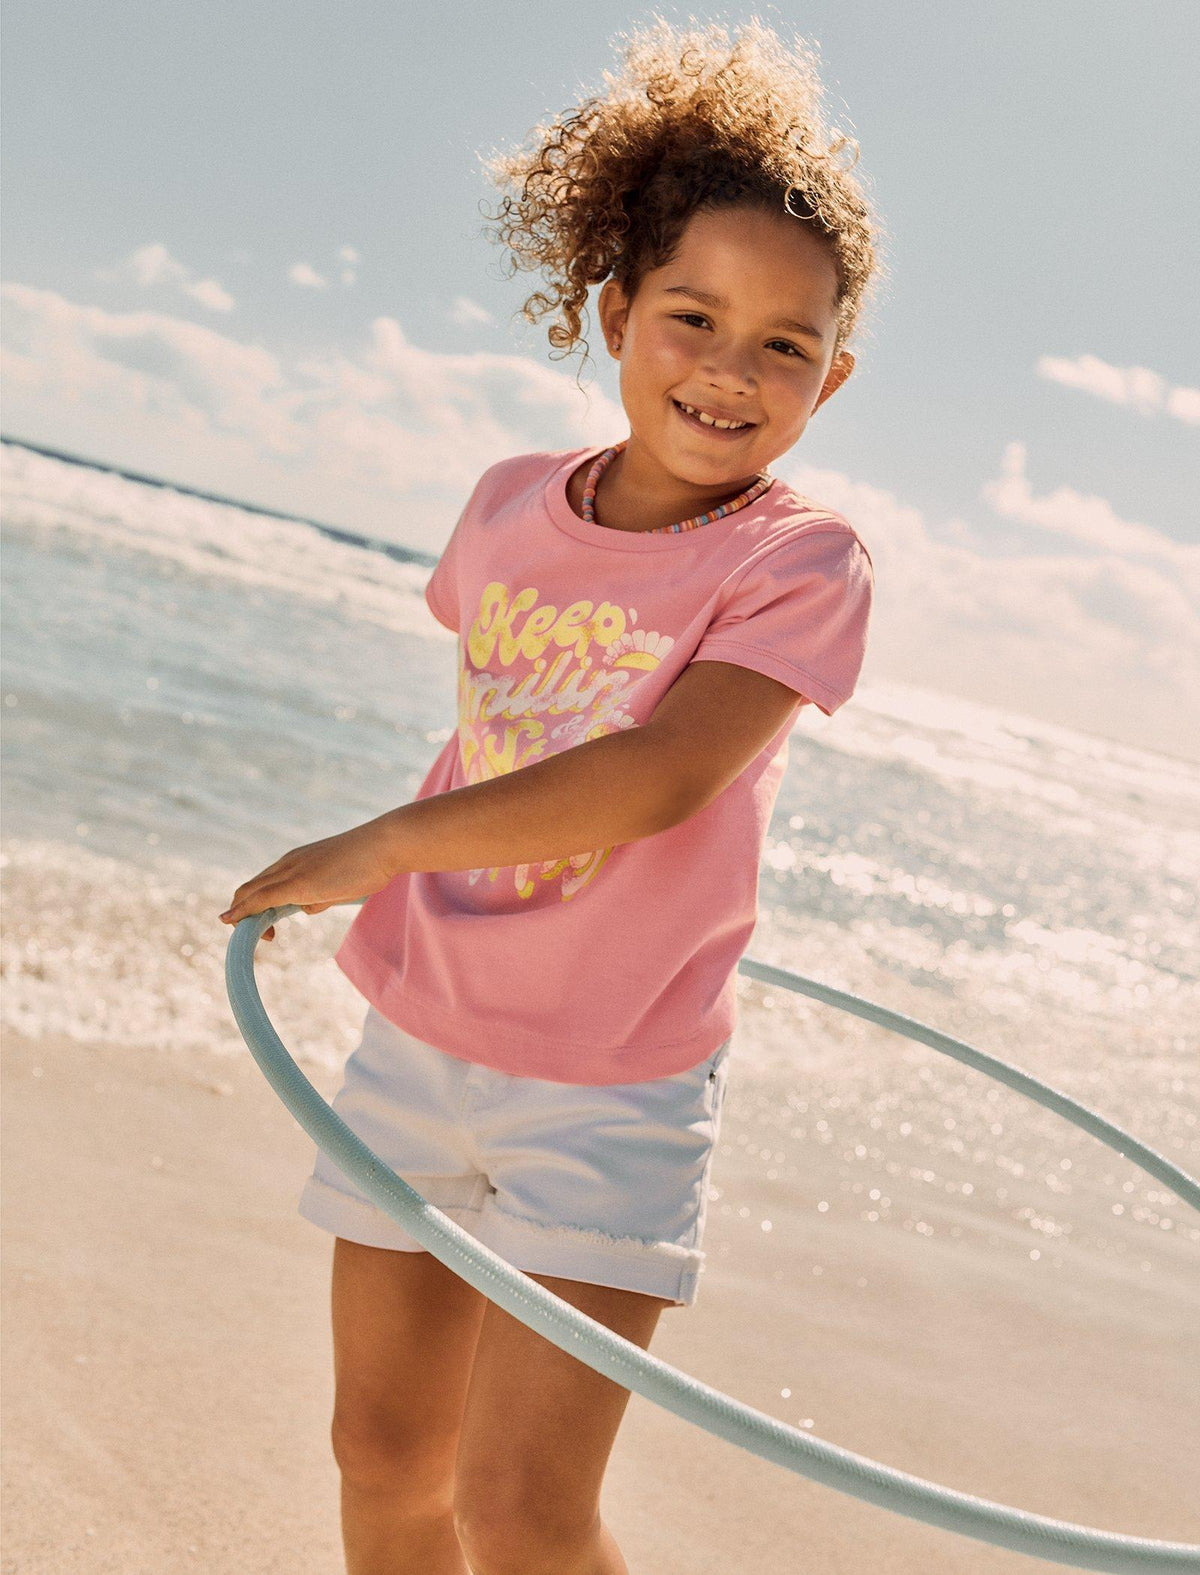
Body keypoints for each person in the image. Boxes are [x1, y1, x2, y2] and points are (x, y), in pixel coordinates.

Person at [219, 17, 884, 1575]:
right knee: (385, 1458)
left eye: (784, 347)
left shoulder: (800, 561)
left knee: (521, 1513)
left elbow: (656, 778)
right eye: (693, 318)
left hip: (612, 1080)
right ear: (615, 312)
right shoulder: (509, 505)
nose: (730, 371)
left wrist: (380, 844)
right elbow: (508, 718)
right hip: (421, 1031)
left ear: (832, 378)